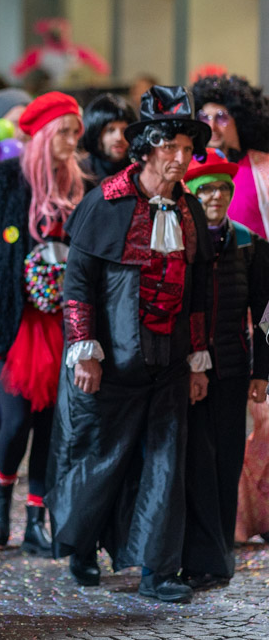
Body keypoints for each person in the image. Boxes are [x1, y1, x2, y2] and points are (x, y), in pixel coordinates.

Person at [46, 85, 213, 603]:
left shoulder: (190, 212)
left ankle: (158, 570)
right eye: (171, 149)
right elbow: (78, 284)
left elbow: (200, 292)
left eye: (188, 149)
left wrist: (197, 361)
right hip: (110, 361)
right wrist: (85, 350)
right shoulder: (105, 203)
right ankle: (79, 549)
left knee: (166, 461)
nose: (181, 160)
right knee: (98, 457)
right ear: (145, 151)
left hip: (167, 360)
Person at [0, 92, 85, 554]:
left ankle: (35, 514)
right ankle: (2, 493)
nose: (73, 140)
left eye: (76, 132)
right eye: (65, 130)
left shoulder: (81, 187)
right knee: (16, 420)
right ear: (41, 134)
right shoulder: (1, 181)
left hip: (60, 322)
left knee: (51, 425)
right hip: (10, 324)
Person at [180, 151, 269, 589]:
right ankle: (192, 553)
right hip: (187, 372)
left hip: (234, 369)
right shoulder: (181, 239)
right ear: (193, 196)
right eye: (207, 189)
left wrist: (262, 374)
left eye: (223, 189)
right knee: (193, 460)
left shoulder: (251, 243)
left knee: (226, 462)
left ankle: (218, 556)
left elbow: (265, 315)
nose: (216, 196)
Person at [192, 74, 269, 238]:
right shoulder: (187, 166)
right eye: (205, 118)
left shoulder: (264, 166)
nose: (211, 126)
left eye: (221, 117)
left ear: (240, 120)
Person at [80, 93, 137, 187]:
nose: (119, 137)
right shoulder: (82, 172)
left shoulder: (139, 171)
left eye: (124, 130)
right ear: (96, 133)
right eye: (110, 130)